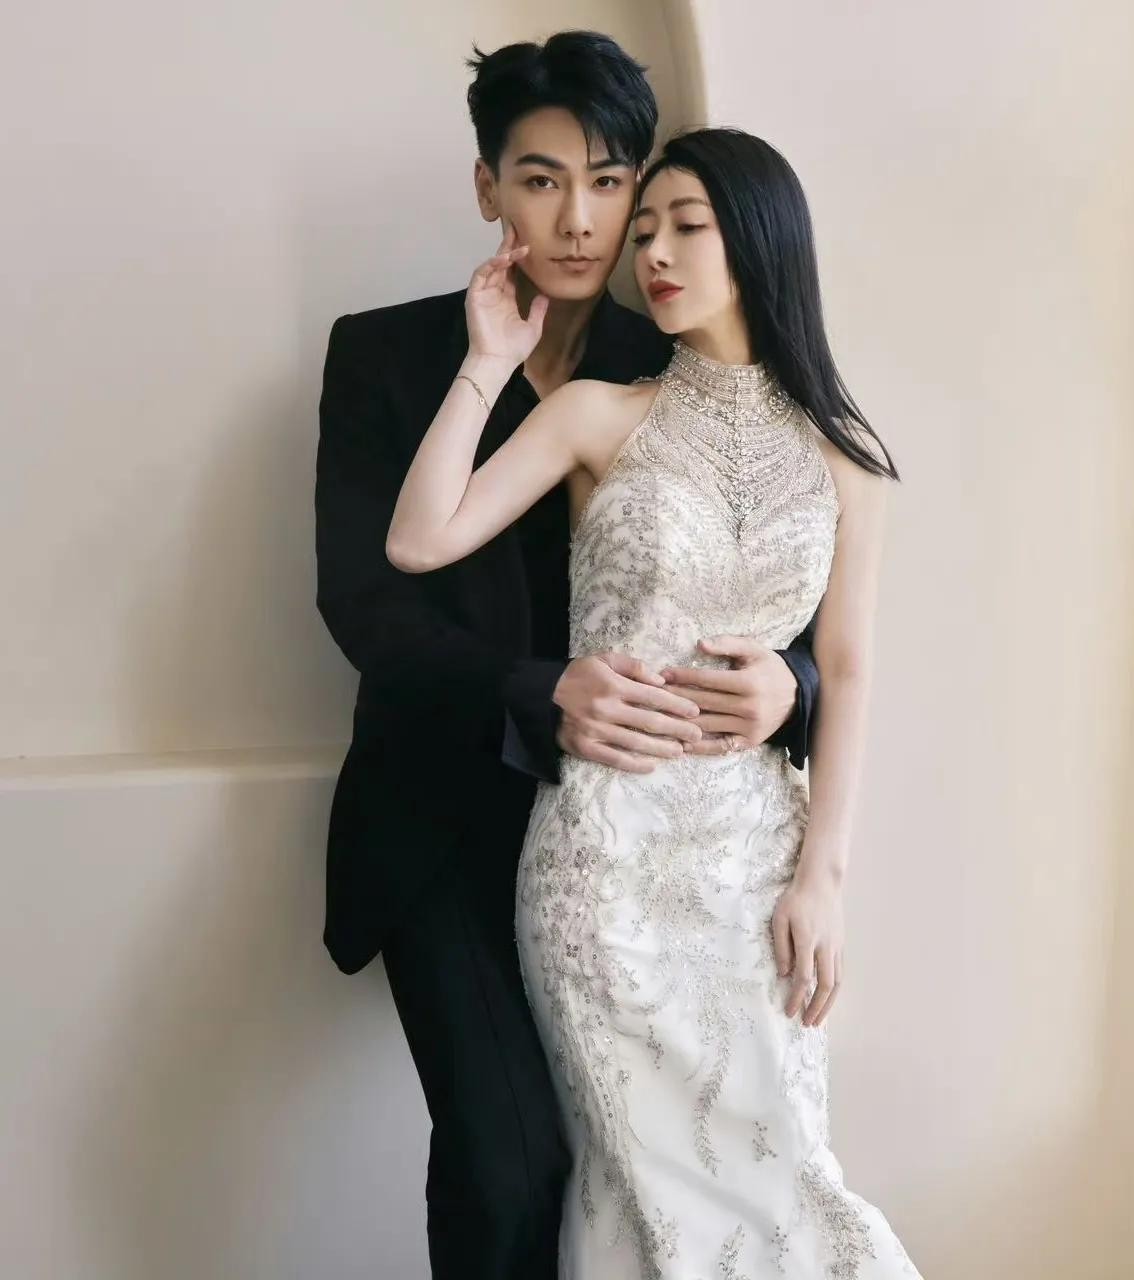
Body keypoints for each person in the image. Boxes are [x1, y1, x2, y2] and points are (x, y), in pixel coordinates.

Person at [316, 32, 815, 1280]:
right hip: (445, 814)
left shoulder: (674, 358)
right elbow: (366, 600)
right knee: (508, 1159)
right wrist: (544, 691)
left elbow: (776, 567)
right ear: (489, 186)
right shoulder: (381, 355)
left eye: (609, 181)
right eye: (541, 180)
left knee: (657, 1175)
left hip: (649, 838)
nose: (582, 220)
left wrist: (791, 682)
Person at [386, 126, 921, 1278]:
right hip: (604, 861)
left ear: (762, 238)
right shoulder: (597, 413)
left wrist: (824, 877)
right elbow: (418, 539)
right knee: (641, 1186)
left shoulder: (848, 456)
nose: (655, 255)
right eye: (646, 233)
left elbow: (848, 669)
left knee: (789, 1177)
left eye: (687, 225)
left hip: (758, 869)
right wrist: (487, 362)